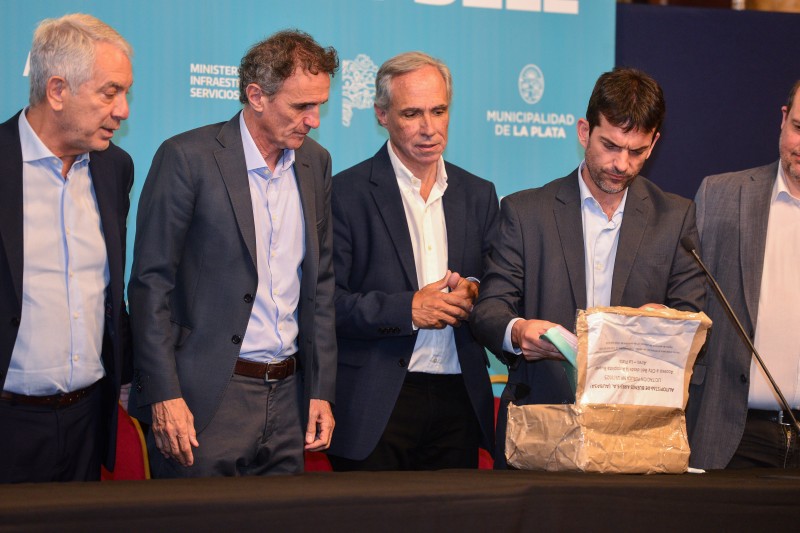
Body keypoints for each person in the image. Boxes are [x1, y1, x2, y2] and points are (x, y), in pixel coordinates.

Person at [471, 67, 705, 468]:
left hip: (636, 435)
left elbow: (692, 315)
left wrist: (665, 323)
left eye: (636, 151)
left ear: (654, 144)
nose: (621, 164)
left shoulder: (674, 217)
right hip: (541, 422)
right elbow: (489, 309)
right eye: (610, 146)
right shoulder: (525, 212)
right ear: (584, 132)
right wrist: (519, 331)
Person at [128, 30, 338, 477]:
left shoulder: (315, 163)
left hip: (289, 399)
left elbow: (320, 286)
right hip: (204, 397)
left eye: (319, 104)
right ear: (257, 96)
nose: (314, 120)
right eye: (302, 106)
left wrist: (320, 389)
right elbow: (150, 286)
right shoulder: (187, 158)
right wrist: (165, 394)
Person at [327, 52, 499, 471]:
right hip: (375, 403)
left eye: (438, 111)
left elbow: (498, 284)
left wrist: (474, 290)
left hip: (459, 400)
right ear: (382, 115)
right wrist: (408, 309)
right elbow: (325, 303)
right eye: (412, 114)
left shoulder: (478, 194)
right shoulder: (344, 193)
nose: (429, 128)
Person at [0, 14, 134, 482]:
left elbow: (111, 295)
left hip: (87, 422)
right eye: (109, 93)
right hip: (9, 424)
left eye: (126, 93)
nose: (123, 111)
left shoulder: (114, 168)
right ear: (57, 90)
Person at [686, 81, 800, 470]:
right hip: (734, 438)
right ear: (783, 119)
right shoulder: (721, 195)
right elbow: (684, 305)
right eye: (798, 127)